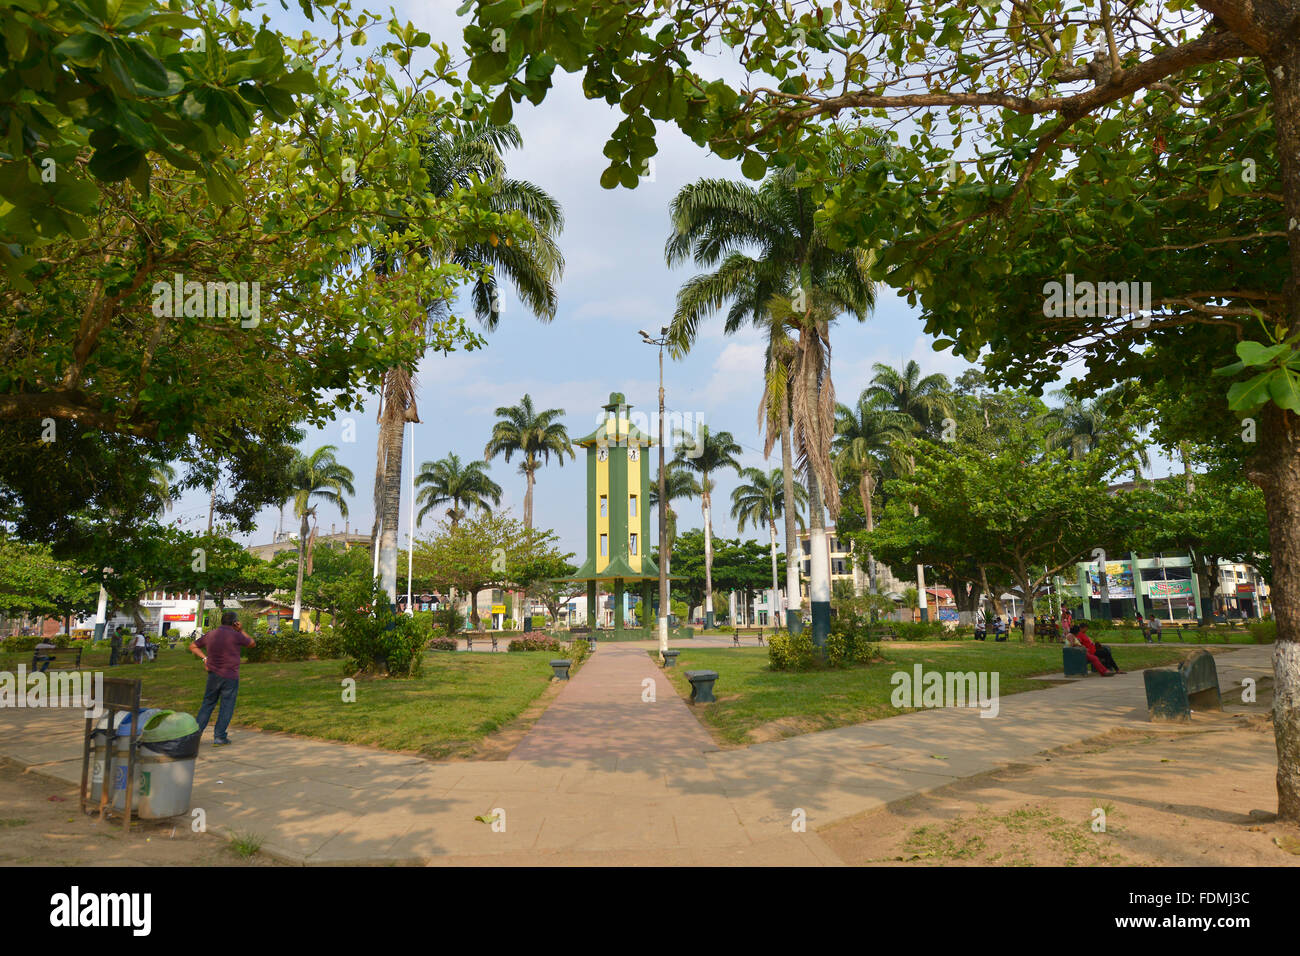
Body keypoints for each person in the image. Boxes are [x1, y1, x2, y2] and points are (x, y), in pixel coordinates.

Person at [189, 611, 255, 746]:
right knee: (226, 706)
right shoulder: (236, 635)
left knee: (207, 704)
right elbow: (252, 644)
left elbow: (193, 646)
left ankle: (194, 737)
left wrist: (205, 658)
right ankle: (219, 737)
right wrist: (241, 630)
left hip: (213, 675)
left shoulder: (211, 634)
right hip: (230, 676)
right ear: (234, 623)